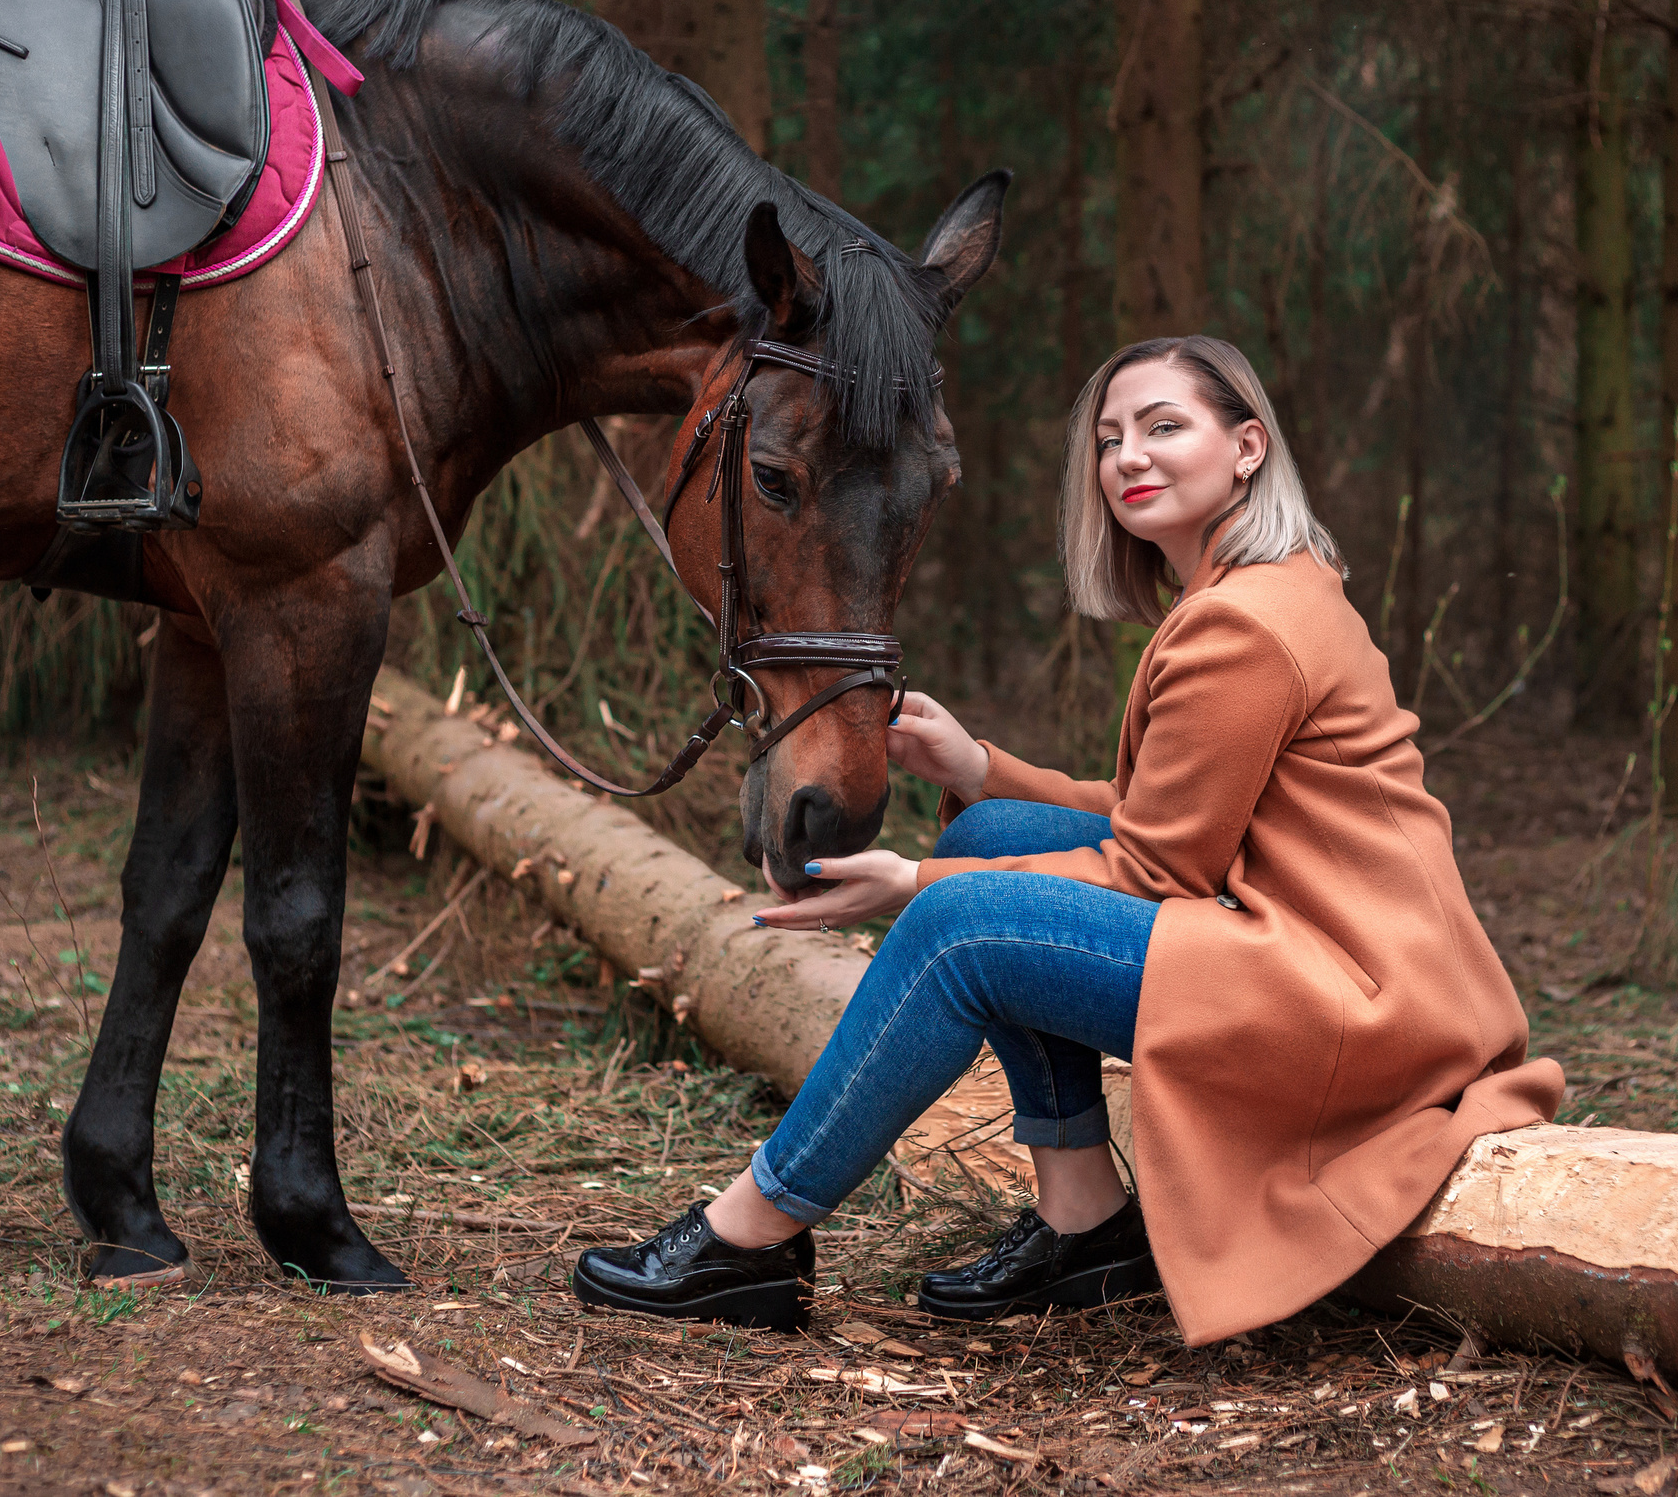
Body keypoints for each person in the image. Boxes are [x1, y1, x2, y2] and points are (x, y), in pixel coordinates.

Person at [571, 334, 1563, 1344]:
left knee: (962, 922)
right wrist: (979, 774)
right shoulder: (1252, 592)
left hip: (1355, 1005)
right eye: (1109, 437)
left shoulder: (1244, 627)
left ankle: (749, 1236)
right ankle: (1082, 1218)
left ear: (1248, 447)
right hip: (1325, 955)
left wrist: (912, 880)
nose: (1128, 456)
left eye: (1165, 427)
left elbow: (1152, 867)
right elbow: (1166, 813)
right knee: (996, 835)